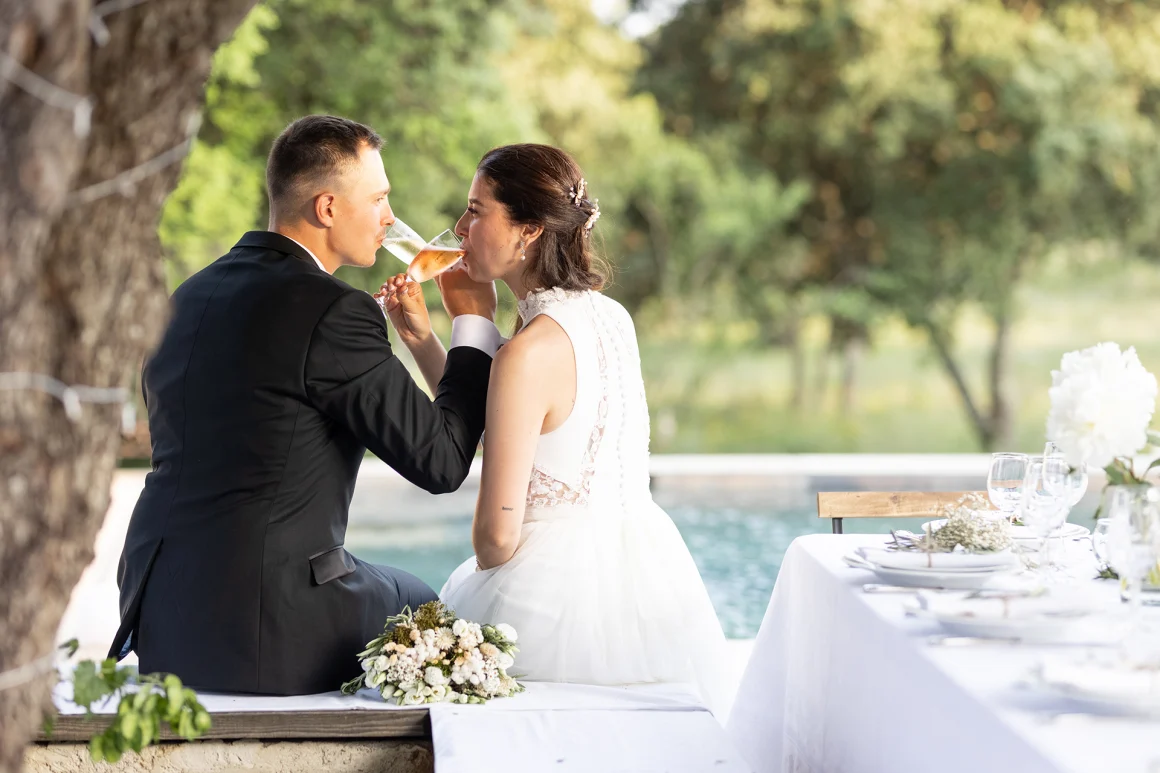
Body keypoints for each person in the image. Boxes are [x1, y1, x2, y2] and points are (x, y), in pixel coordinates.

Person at [108, 115, 502, 695]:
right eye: (379, 199)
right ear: (327, 208)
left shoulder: (188, 297)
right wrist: (473, 323)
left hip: (158, 614)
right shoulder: (334, 311)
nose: (391, 217)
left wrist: (417, 338)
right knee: (430, 605)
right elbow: (441, 461)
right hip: (267, 629)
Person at [380, 143, 731, 715]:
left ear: (528, 231)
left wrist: (472, 321)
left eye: (476, 210)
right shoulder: (612, 318)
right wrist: (425, 338)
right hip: (640, 574)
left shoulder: (528, 351)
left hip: (550, 601)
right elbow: (517, 425)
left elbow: (495, 542)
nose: (459, 229)